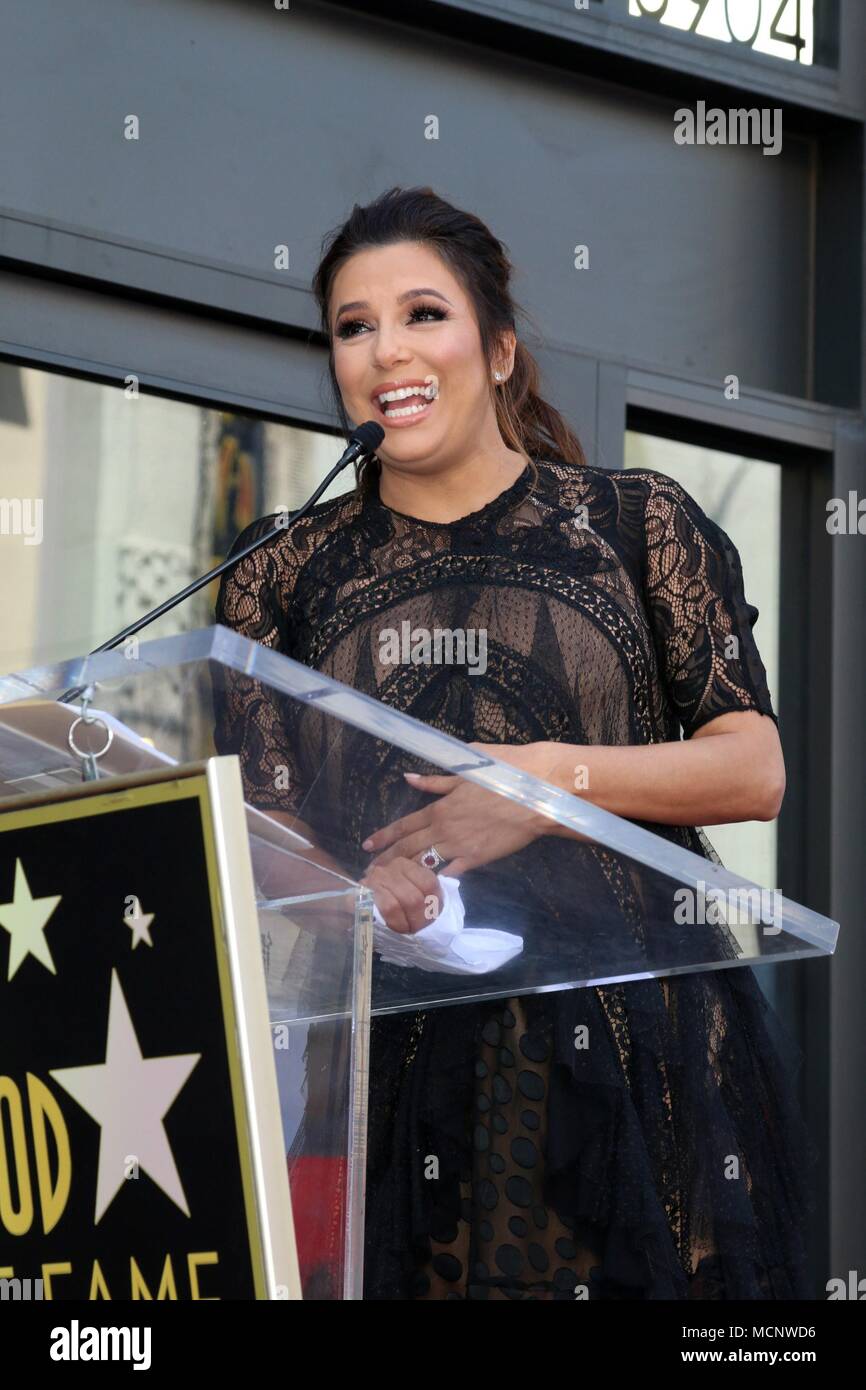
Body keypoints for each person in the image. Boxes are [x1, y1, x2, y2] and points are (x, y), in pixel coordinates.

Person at [213, 186, 816, 1300]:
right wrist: (351, 877)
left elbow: (750, 767)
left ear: (496, 349)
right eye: (352, 326)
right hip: (401, 1070)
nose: (384, 349)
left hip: (642, 1062)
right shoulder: (277, 569)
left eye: (421, 314)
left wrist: (546, 785)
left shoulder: (634, 522)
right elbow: (267, 823)